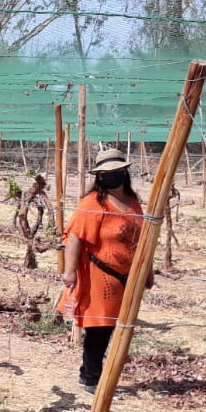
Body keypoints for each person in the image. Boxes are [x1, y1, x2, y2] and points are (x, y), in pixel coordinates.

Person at [62, 148, 147, 395]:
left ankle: (97, 375)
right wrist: (70, 272)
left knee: (118, 328)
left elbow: (143, 239)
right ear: (98, 177)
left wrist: (147, 272)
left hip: (127, 277)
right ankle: (91, 379)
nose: (110, 177)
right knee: (100, 327)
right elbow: (75, 238)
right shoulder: (91, 204)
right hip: (100, 276)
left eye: (116, 172)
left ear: (124, 173)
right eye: (105, 173)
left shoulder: (133, 203)